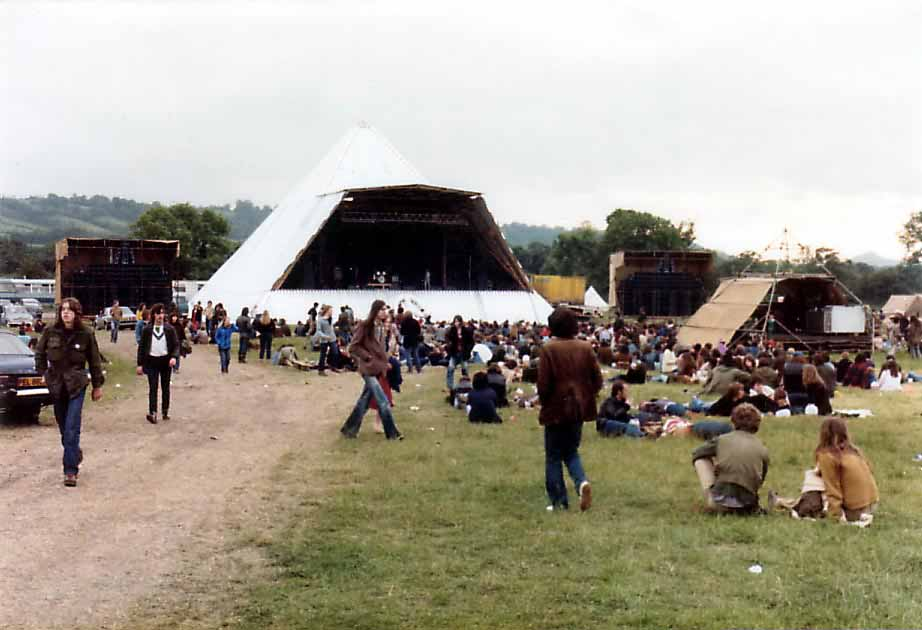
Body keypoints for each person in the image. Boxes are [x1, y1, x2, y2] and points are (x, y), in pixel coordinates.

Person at [537, 306, 603, 511]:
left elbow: (544, 384)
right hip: (578, 410)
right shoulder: (585, 348)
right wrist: (585, 395)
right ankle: (581, 482)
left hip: (555, 409)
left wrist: (545, 400)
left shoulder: (549, 349)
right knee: (571, 451)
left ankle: (558, 502)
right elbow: (598, 380)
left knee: (554, 455)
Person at [33, 297, 104, 487]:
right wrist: (42, 373)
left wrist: (97, 386)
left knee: (72, 427)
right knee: (64, 428)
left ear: (76, 314)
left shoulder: (86, 333)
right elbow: (39, 353)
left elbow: (95, 361)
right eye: (63, 310)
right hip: (57, 385)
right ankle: (75, 453)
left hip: (77, 385)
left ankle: (70, 471)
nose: (66, 313)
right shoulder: (50, 331)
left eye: (70, 310)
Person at [339, 300, 403, 440]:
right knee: (383, 401)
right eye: (382, 309)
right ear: (376, 310)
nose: (385, 312)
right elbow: (353, 347)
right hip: (368, 369)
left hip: (378, 369)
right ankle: (392, 434)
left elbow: (380, 350)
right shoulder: (365, 326)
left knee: (364, 402)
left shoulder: (381, 327)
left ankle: (349, 429)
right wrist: (367, 358)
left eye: (386, 309)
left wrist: (384, 363)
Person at [691, 403, 769, 514]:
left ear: (733, 421)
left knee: (700, 459)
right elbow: (760, 480)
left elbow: (697, 453)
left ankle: (711, 497)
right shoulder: (762, 447)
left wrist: (717, 467)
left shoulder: (721, 440)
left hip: (718, 502)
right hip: (748, 506)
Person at [815, 417, 879, 523]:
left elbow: (832, 488)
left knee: (814, 483)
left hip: (855, 509)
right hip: (872, 503)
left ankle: (791, 505)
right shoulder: (853, 450)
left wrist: (835, 515)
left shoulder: (827, 456)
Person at [136, 303, 179, 424]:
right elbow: (142, 348)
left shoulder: (169, 329)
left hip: (165, 361)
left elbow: (176, 345)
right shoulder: (147, 330)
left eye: (161, 313)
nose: (160, 316)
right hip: (152, 362)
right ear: (153, 315)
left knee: (165, 387)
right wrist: (140, 364)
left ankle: (165, 410)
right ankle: (153, 412)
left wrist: (174, 357)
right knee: (153, 387)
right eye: (157, 313)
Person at [445, 315, 474, 391]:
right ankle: (450, 386)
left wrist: (468, 350)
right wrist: (449, 346)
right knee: (450, 368)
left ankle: (467, 386)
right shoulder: (451, 330)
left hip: (463, 353)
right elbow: (447, 339)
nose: (457, 323)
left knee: (465, 369)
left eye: (458, 321)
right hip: (454, 352)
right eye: (455, 321)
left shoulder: (466, 331)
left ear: (461, 322)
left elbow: (471, 342)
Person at [313, 304, 336, 376]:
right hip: (324, 339)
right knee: (323, 354)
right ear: (327, 311)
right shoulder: (320, 320)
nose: (332, 312)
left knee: (335, 352)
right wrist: (325, 336)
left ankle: (332, 365)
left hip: (332, 338)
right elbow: (318, 331)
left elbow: (331, 328)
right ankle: (321, 370)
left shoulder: (331, 319)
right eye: (331, 311)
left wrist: (335, 336)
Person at [400, 309, 423, 374]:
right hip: (415, 340)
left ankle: (410, 369)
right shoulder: (415, 322)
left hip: (407, 340)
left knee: (408, 355)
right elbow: (419, 331)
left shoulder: (403, 322)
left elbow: (402, 332)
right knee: (416, 355)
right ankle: (419, 369)